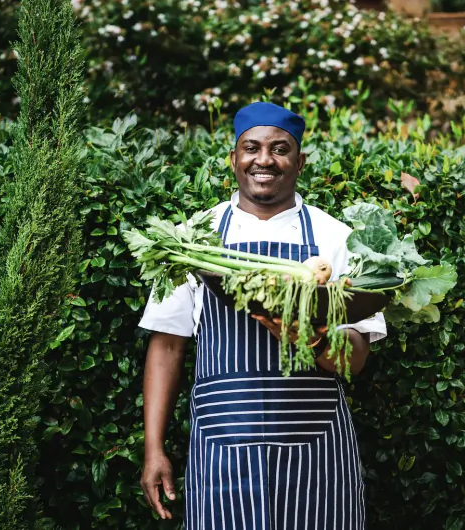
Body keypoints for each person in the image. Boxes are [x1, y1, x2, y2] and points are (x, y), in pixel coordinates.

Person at [137, 101, 387, 529]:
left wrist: (311, 337)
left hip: (317, 452)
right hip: (223, 447)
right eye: (251, 148)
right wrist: (153, 447)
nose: (264, 159)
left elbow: (358, 357)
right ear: (233, 158)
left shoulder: (336, 237)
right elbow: (167, 344)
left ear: (300, 161)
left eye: (280, 148)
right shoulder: (196, 239)